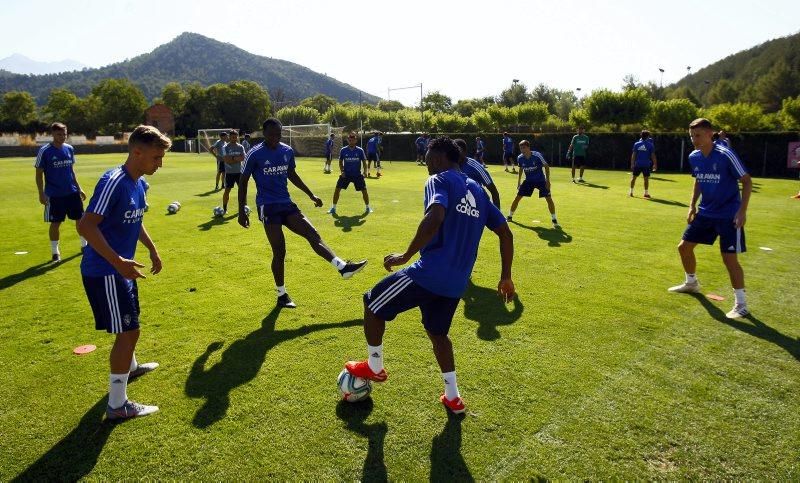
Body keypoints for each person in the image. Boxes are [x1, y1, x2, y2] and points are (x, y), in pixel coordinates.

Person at [344, 136, 514, 414]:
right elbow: (505, 232)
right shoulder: (480, 192)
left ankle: (374, 366)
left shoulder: (439, 179)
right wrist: (505, 276)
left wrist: (406, 255)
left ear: (436, 158)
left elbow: (435, 217)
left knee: (372, 303)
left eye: (426, 157)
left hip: (429, 273)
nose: (424, 162)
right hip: (456, 284)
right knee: (438, 334)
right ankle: (453, 396)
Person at [78, 125, 171, 420]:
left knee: (129, 326)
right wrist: (118, 261)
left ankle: (131, 367)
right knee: (129, 331)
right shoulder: (114, 181)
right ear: (137, 152)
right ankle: (118, 405)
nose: (160, 164)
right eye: (156, 157)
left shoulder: (139, 184)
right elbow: (85, 225)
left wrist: (152, 249)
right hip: (105, 270)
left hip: (122, 268)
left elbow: (136, 220)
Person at [238, 119, 367, 308]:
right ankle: (282, 295)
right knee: (279, 252)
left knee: (312, 234)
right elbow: (243, 181)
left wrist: (311, 195)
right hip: (268, 206)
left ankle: (343, 267)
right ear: (264, 133)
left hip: (286, 204)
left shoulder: (286, 151)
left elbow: (292, 175)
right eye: (271, 134)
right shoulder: (254, 154)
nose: (275, 138)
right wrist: (241, 210)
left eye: (278, 134)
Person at [668, 118, 752, 319]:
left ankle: (741, 304)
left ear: (709, 134)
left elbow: (747, 182)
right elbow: (698, 181)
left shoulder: (725, 154)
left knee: (729, 259)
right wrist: (692, 206)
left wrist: (742, 212)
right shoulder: (694, 156)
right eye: (691, 136)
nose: (694, 139)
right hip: (705, 212)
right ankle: (691, 283)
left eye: (698, 135)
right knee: (684, 247)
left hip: (728, 215)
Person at [34, 122, 87, 262]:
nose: (63, 136)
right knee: (56, 223)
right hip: (54, 195)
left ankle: (84, 245)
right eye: (59, 134)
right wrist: (41, 193)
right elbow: (38, 174)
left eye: (64, 134)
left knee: (80, 220)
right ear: (52, 134)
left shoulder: (69, 148)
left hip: (72, 192)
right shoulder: (44, 151)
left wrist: (79, 187)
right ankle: (55, 252)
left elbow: (71, 171)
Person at [507, 139, 560, 228]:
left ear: (528, 148)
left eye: (524, 148)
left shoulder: (537, 155)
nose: (522, 150)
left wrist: (548, 181)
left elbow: (546, 166)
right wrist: (519, 182)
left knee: (548, 198)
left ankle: (554, 219)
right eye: (521, 148)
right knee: (517, 198)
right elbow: (520, 169)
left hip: (540, 181)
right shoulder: (520, 158)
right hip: (528, 181)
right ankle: (509, 216)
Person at [328, 132, 373, 215]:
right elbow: (340, 162)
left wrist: (365, 172)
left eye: (353, 140)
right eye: (350, 140)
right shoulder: (343, 150)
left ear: (355, 141)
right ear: (348, 140)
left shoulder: (360, 150)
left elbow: (364, 162)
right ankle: (333, 208)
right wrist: (342, 171)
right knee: (337, 189)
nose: (351, 141)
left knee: (364, 191)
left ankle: (368, 208)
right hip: (346, 175)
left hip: (357, 175)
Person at [454, 138, 501, 208]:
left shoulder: (475, 166)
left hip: (476, 207)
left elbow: (493, 191)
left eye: (458, 152)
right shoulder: (450, 165)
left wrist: (497, 215)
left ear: (464, 152)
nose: (455, 154)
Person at [221, 130, 246, 214]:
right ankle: (224, 209)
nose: (234, 139)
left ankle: (244, 208)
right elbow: (226, 160)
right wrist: (236, 158)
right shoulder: (225, 147)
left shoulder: (240, 147)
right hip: (229, 173)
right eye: (232, 137)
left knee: (242, 190)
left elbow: (243, 158)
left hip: (239, 172)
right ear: (229, 137)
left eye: (236, 137)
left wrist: (232, 158)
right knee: (227, 191)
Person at [630, 130, 658, 198]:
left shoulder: (636, 144)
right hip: (646, 165)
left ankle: (631, 192)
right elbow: (653, 156)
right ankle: (646, 193)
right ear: (648, 136)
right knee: (646, 179)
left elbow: (633, 155)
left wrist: (632, 164)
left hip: (637, 164)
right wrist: (655, 164)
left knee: (633, 178)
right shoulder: (650, 145)